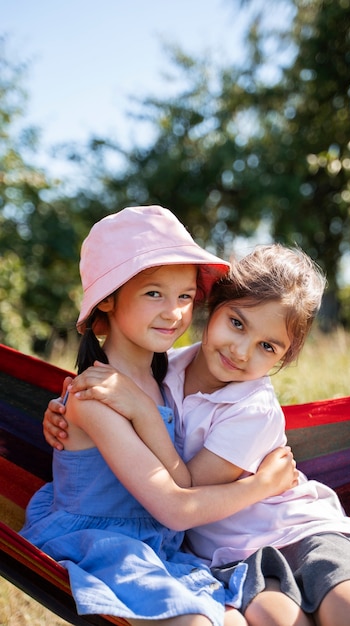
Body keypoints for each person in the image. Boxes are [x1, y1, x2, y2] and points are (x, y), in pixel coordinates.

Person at [45, 242, 350, 626]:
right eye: (237, 323)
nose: (242, 351)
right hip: (228, 556)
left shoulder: (252, 409)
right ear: (212, 308)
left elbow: (188, 485)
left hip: (297, 526)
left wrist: (143, 413)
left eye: (266, 346)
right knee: (277, 618)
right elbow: (111, 422)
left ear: (284, 358)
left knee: (346, 596)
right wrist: (67, 412)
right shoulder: (166, 370)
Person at [20, 205, 298, 626]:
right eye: (154, 293)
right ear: (108, 300)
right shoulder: (96, 395)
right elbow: (175, 501)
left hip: (158, 546)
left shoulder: (168, 374)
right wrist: (262, 485)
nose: (174, 312)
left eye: (185, 296)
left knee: (237, 621)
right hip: (101, 544)